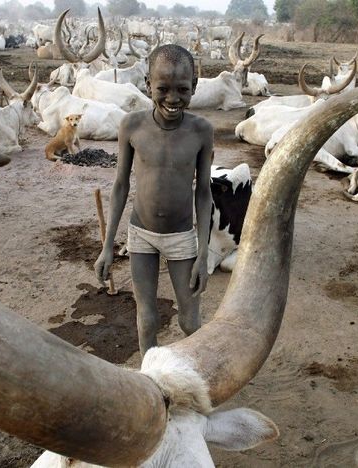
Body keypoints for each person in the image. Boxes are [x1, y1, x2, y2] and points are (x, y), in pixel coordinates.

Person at [94, 44, 213, 357]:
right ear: (148, 85)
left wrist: (204, 253)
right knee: (146, 320)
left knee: (189, 321)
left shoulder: (201, 131)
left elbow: (203, 191)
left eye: (182, 90)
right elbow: (120, 185)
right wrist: (108, 246)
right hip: (141, 235)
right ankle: (152, 382)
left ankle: (194, 378)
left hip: (182, 238)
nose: (173, 99)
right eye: (163, 88)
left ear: (194, 88)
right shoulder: (132, 126)